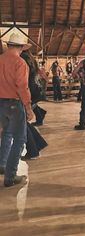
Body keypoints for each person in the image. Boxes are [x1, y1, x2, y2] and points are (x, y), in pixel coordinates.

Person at [0, 33, 34, 187]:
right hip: (15, 103)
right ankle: (10, 177)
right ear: (20, 47)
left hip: (1, 103)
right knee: (20, 139)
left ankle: (2, 164)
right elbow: (22, 86)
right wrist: (28, 107)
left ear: (8, 45)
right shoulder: (20, 63)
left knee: (6, 134)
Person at [20, 50, 47, 126]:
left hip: (29, 84)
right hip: (34, 84)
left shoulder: (23, 57)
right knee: (32, 102)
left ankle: (39, 116)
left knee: (29, 103)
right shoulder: (31, 58)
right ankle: (40, 115)